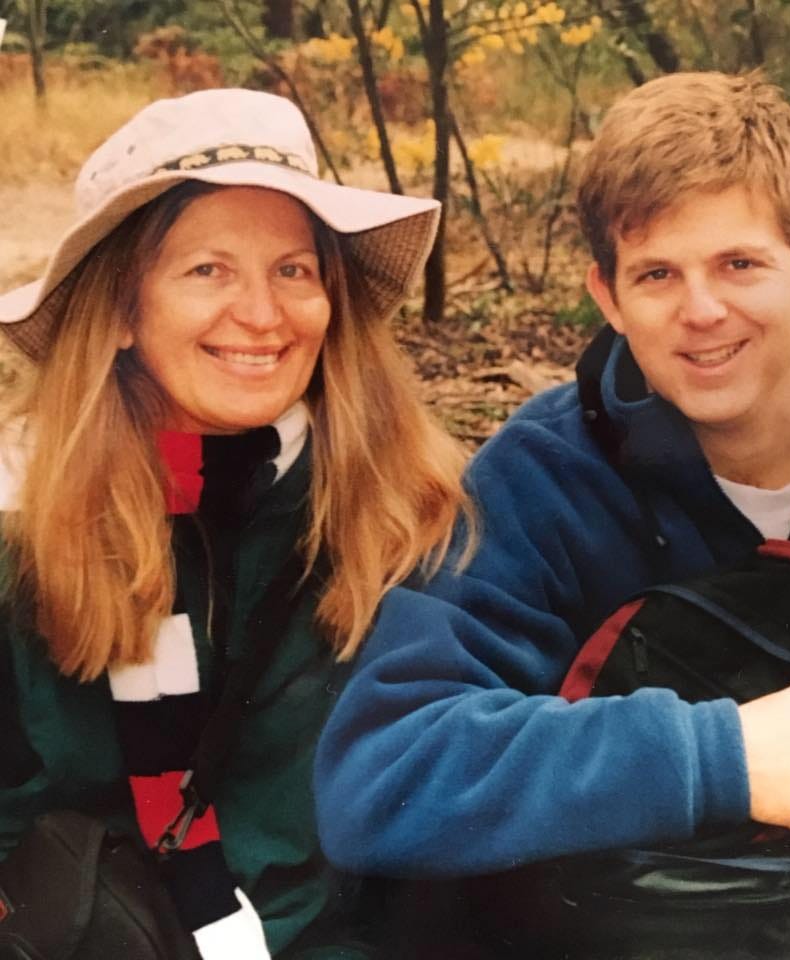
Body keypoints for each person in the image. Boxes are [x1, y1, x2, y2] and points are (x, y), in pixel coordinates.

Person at [313, 71, 790, 958]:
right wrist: (712, 759)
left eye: (740, 263)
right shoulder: (547, 477)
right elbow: (381, 776)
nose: (701, 312)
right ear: (609, 298)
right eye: (658, 274)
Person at [0, 88, 472, 959]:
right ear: (119, 313)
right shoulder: (28, 528)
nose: (262, 315)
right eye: (208, 269)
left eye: (293, 269)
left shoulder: (404, 509)